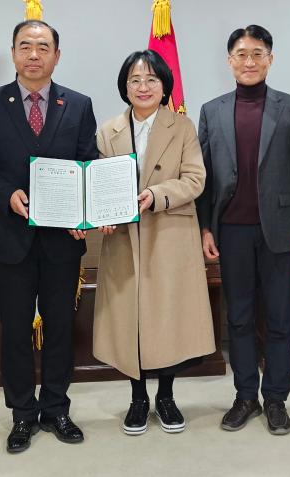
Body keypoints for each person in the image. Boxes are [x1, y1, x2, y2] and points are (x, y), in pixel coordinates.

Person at [0, 20, 98, 453]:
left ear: (57, 55)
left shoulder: (78, 104)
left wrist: (84, 212)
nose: (34, 54)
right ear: (13, 53)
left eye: (43, 47)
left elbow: (88, 162)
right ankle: (22, 413)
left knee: (60, 328)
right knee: (15, 331)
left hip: (63, 241)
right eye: (25, 46)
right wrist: (6, 194)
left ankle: (56, 408)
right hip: (11, 239)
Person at [197, 24, 290, 435]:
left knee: (281, 318)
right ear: (229, 61)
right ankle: (245, 395)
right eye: (241, 54)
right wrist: (205, 228)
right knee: (240, 318)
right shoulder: (212, 111)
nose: (249, 61)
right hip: (231, 231)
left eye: (257, 54)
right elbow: (205, 179)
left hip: (280, 231)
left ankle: (276, 398)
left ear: (270, 59)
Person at [92, 50, 216, 436]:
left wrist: (156, 194)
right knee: (129, 321)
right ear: (124, 87)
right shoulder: (108, 130)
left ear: (164, 86)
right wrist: (102, 214)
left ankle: (165, 396)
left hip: (169, 236)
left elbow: (195, 179)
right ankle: (137, 398)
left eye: (151, 79)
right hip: (124, 240)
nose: (143, 87)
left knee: (167, 319)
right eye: (134, 80)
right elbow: (99, 183)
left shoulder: (182, 126)